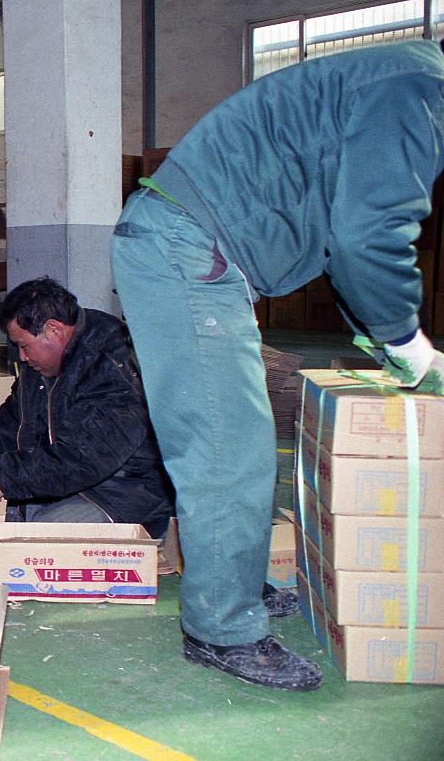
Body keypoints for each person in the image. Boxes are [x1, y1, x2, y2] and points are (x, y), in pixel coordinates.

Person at [111, 38, 444, 692]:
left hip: (193, 243)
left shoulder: (400, 78)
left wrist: (381, 341)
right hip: (187, 245)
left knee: (234, 437)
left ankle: (230, 582)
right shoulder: (417, 87)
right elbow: (369, 236)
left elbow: (341, 242)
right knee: (225, 445)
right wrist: (409, 345)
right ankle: (220, 629)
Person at [0, 278, 172, 536]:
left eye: (24, 346)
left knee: (33, 538)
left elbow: (83, 457)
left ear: (54, 330)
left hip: (125, 493)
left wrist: (5, 477)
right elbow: (14, 421)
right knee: (1, 511)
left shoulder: (112, 365)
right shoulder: (43, 364)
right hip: (74, 482)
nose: (22, 357)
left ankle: (152, 535)